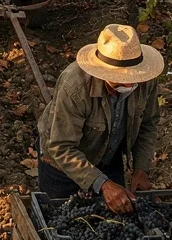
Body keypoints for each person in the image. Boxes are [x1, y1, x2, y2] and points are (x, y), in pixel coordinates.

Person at [36, 24, 163, 213]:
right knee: (64, 220)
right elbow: (60, 147)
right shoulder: (75, 87)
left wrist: (141, 168)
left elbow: (148, 123)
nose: (129, 82)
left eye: (133, 75)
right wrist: (104, 184)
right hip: (63, 167)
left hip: (108, 158)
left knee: (116, 220)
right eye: (120, 77)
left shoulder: (145, 79)